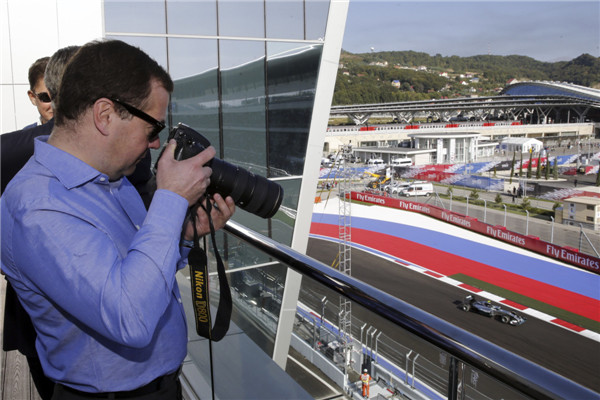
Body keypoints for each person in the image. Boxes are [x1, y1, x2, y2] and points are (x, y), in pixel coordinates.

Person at [1, 39, 235, 399]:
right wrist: (171, 199)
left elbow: (134, 274)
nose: (156, 144)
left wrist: (183, 235)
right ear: (105, 115)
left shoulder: (112, 181)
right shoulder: (36, 207)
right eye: (153, 128)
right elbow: (130, 317)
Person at [1, 45, 81, 400]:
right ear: (33, 97)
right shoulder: (16, 150)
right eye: (48, 97)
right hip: (32, 304)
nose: (55, 105)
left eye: (63, 95)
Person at [24, 56, 53, 129]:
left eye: (60, 97)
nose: (54, 105)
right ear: (32, 97)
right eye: (45, 97)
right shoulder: (25, 137)